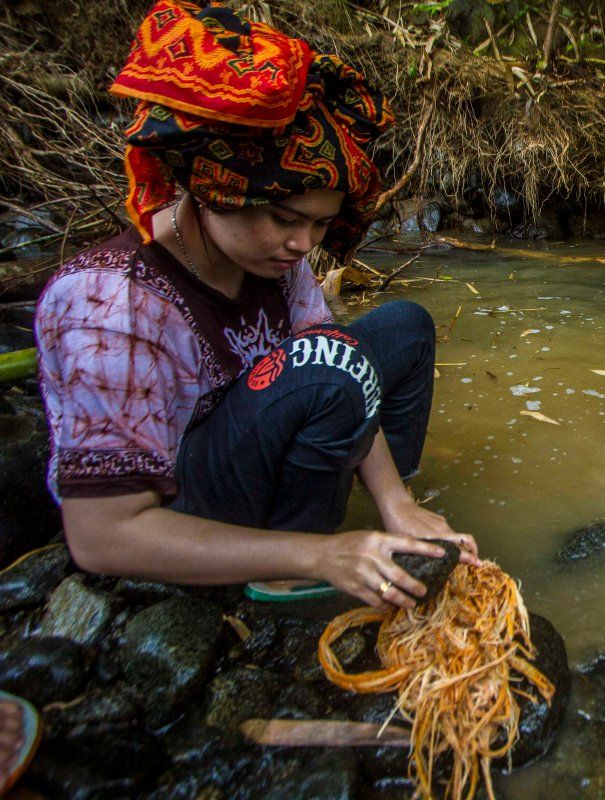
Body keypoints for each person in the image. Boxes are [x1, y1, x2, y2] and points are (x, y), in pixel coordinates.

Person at [35, 0, 478, 610]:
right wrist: (316, 554)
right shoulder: (111, 307)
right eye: (284, 219)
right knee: (324, 372)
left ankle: (378, 520)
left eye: (320, 227)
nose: (303, 246)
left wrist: (396, 500)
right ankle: (292, 569)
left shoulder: (275, 260)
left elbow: (340, 361)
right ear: (217, 191)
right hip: (178, 505)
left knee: (405, 327)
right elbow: (101, 537)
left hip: (259, 427)